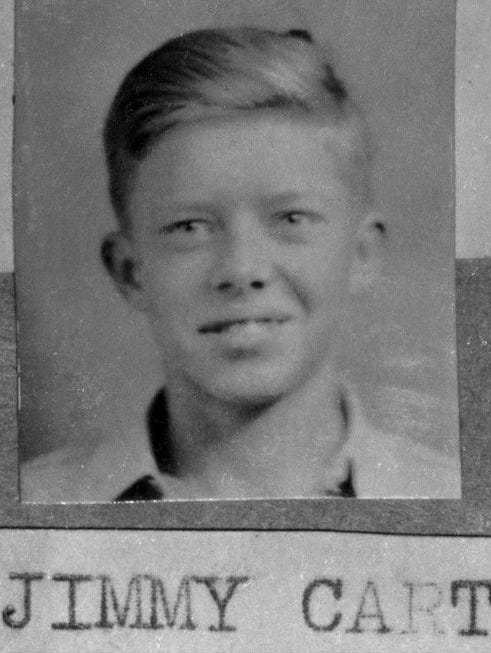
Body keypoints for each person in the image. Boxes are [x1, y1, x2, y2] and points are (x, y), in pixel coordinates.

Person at [21, 27, 460, 501]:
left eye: (290, 218)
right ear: (130, 272)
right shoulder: (37, 501)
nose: (242, 269)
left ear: (361, 256)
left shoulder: (443, 491)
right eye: (189, 227)